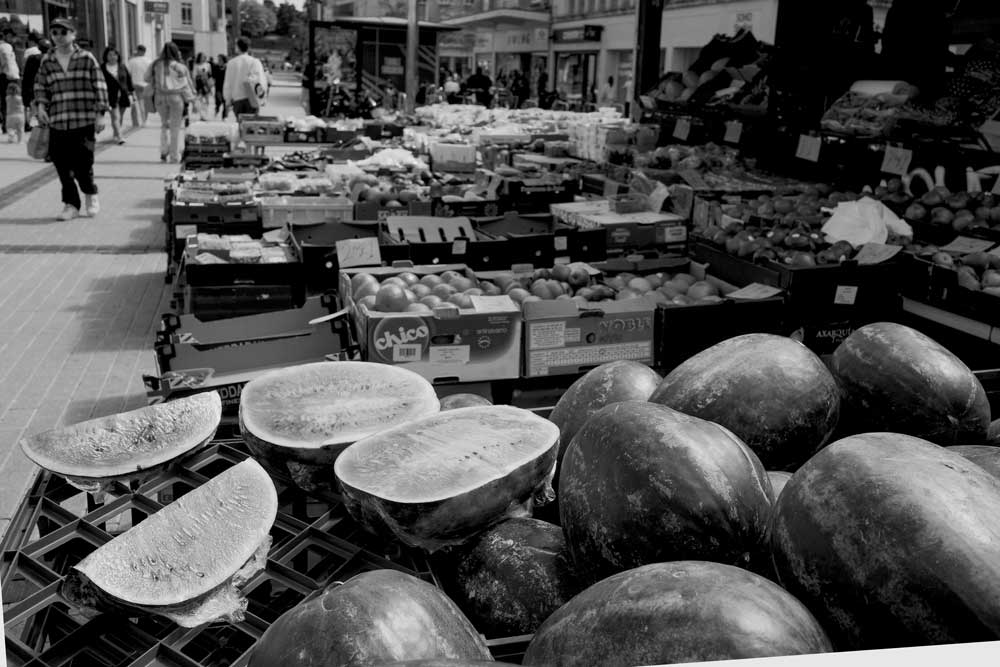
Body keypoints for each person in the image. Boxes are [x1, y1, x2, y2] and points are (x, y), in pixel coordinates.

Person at [33, 18, 108, 221]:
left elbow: (99, 84)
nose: (58, 36)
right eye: (55, 32)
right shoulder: (47, 60)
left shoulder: (86, 57)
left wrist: (100, 114)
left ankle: (90, 193)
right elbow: (41, 86)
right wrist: (40, 106)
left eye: (63, 32)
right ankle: (71, 205)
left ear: (73, 34)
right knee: (61, 165)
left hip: (82, 120)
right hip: (57, 121)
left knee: (83, 164)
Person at [146, 41, 194, 163]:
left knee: (164, 124)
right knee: (175, 127)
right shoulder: (179, 66)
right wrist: (192, 99)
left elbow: (145, 78)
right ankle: (174, 156)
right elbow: (185, 85)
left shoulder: (155, 64)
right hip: (176, 97)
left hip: (160, 97)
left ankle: (163, 151)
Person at [223, 37, 267, 117]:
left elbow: (228, 83)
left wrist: (228, 100)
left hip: (237, 99)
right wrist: (262, 98)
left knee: (240, 124)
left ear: (237, 47)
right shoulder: (254, 62)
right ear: (248, 48)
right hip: (251, 99)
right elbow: (260, 81)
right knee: (251, 125)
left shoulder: (231, 63)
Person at [100, 45, 132, 144]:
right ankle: (119, 136)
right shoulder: (102, 68)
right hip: (110, 96)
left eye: (115, 55)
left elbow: (129, 80)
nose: (112, 57)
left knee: (120, 117)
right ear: (106, 56)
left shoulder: (122, 66)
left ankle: (116, 133)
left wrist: (132, 93)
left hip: (123, 95)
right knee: (115, 117)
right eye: (110, 55)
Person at [21, 37, 48, 131]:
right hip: (47, 88)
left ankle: (31, 123)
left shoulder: (32, 58)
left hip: (33, 87)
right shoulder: (52, 58)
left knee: (34, 107)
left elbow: (26, 75)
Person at [126, 45, 152, 126]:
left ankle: (138, 120)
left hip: (135, 84)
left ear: (138, 50)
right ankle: (145, 120)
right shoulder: (149, 61)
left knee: (138, 103)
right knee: (145, 103)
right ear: (145, 51)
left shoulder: (131, 61)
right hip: (146, 85)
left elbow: (128, 73)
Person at [0, 28, 19, 134]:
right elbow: (7, 59)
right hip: (9, 76)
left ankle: (6, 125)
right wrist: (7, 71)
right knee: (12, 101)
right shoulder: (6, 46)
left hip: (4, 75)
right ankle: (11, 125)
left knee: (4, 101)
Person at [191, 52, 212, 120]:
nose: (204, 58)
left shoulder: (208, 65)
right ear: (199, 57)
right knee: (199, 100)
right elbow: (194, 76)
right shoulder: (196, 65)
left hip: (206, 83)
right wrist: (194, 86)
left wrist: (210, 84)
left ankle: (206, 113)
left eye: (204, 56)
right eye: (202, 56)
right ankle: (201, 115)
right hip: (199, 83)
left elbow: (210, 75)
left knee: (207, 100)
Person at [212, 54, 228, 118]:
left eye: (220, 59)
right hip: (218, 87)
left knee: (225, 101)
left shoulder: (227, 67)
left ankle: (224, 116)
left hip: (225, 86)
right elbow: (213, 76)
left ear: (223, 60)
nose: (219, 61)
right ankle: (217, 109)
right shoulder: (216, 66)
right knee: (218, 100)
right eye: (218, 59)